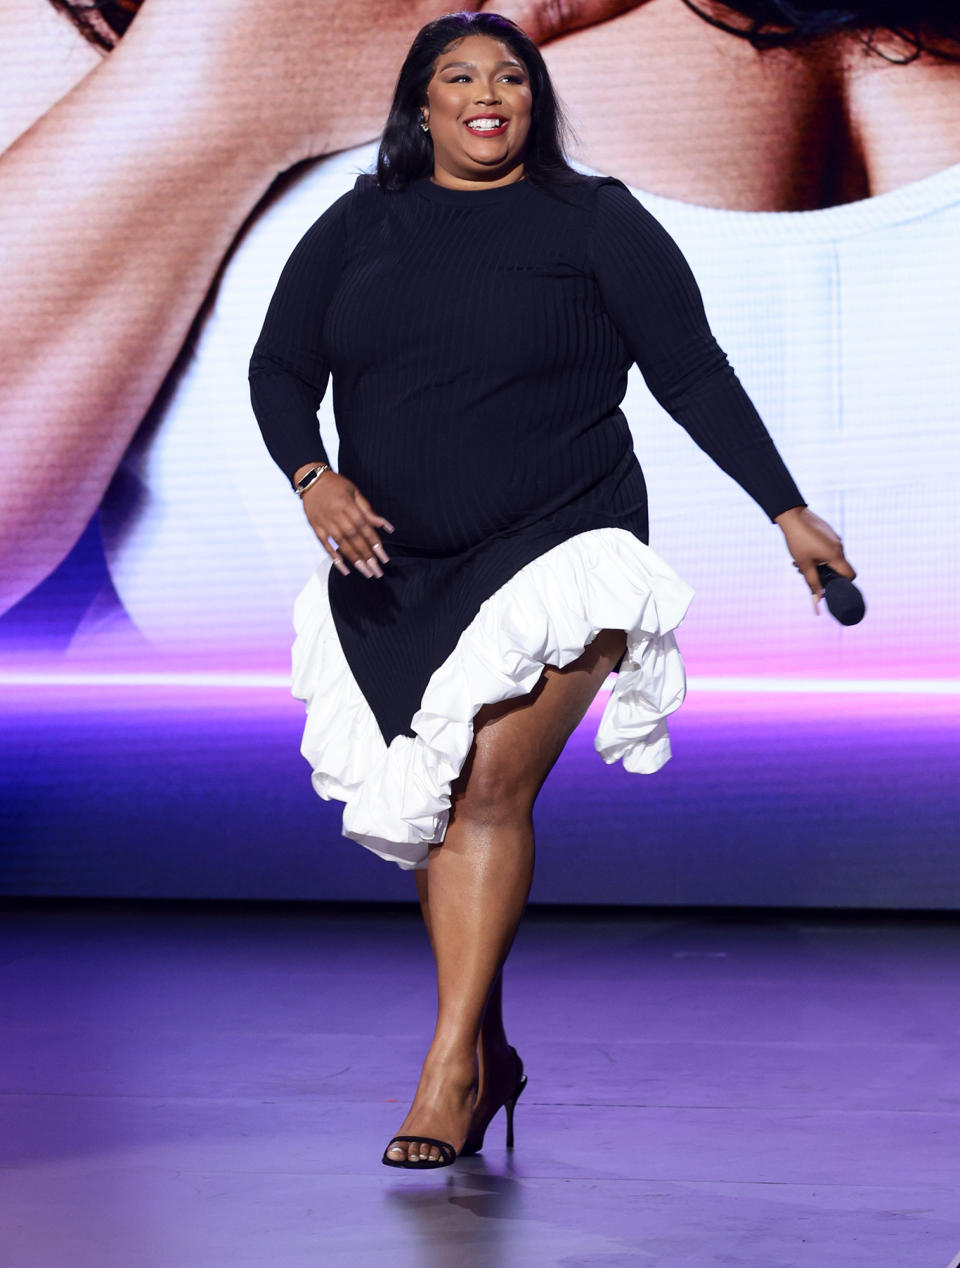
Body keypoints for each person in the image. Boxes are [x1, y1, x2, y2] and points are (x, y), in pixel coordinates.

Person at [247, 11, 856, 1170]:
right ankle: (490, 1042)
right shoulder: (361, 219)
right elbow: (281, 366)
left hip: (560, 544)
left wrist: (784, 505)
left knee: (482, 795)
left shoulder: (596, 221)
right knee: (433, 813)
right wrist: (312, 476)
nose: (489, 91)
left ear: (535, 99)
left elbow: (692, 374)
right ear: (419, 104)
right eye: (459, 74)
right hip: (392, 566)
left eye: (511, 74)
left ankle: (448, 1070)